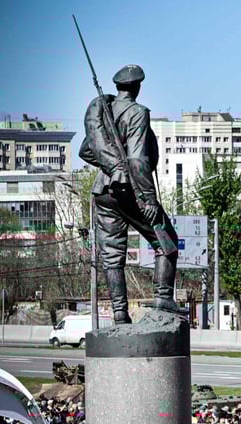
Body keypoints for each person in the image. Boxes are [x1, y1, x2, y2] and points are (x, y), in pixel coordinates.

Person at [78, 63, 180, 324]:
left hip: (103, 191)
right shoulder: (137, 113)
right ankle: (163, 297)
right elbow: (137, 161)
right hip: (129, 190)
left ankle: (120, 314)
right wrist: (148, 199)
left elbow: (87, 151)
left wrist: (112, 163)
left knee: (112, 255)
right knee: (167, 241)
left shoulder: (106, 113)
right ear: (137, 86)